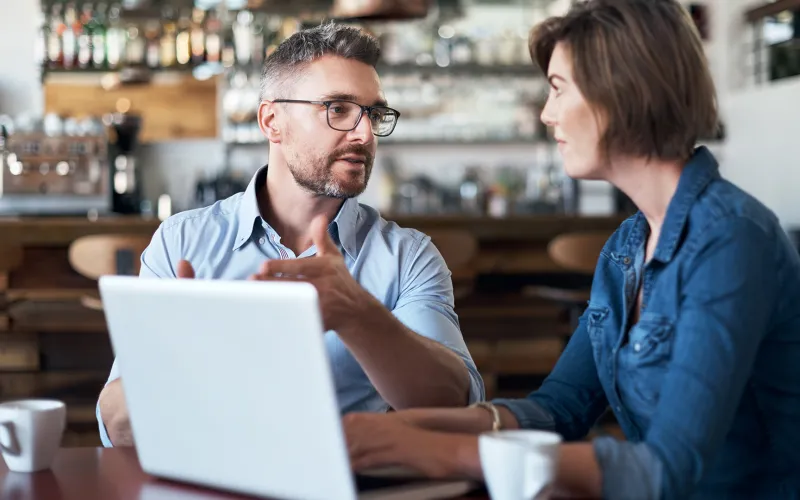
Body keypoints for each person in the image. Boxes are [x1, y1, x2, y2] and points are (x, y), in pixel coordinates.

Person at [343, 1, 800, 498]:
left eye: (558, 88)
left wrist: (434, 452)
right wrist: (406, 429)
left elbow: (668, 468)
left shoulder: (731, 239)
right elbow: (559, 409)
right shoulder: (628, 246)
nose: (546, 113)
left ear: (622, 90)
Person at [97, 22, 484, 448]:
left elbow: (456, 407)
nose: (365, 134)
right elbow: (116, 426)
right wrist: (194, 358)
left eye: (374, 113)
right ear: (271, 121)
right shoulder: (182, 242)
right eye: (338, 108)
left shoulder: (406, 256)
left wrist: (358, 315)